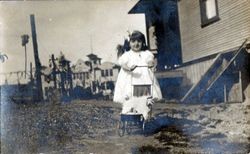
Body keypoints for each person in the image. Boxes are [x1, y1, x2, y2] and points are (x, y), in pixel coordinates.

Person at [113, 30, 162, 105]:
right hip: (130, 79)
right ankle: (132, 111)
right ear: (129, 43)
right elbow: (123, 64)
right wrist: (129, 68)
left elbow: (150, 60)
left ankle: (145, 112)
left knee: (145, 99)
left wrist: (150, 64)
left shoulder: (146, 54)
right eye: (133, 41)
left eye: (139, 41)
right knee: (131, 99)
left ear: (143, 43)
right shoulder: (127, 55)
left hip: (143, 79)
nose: (136, 44)